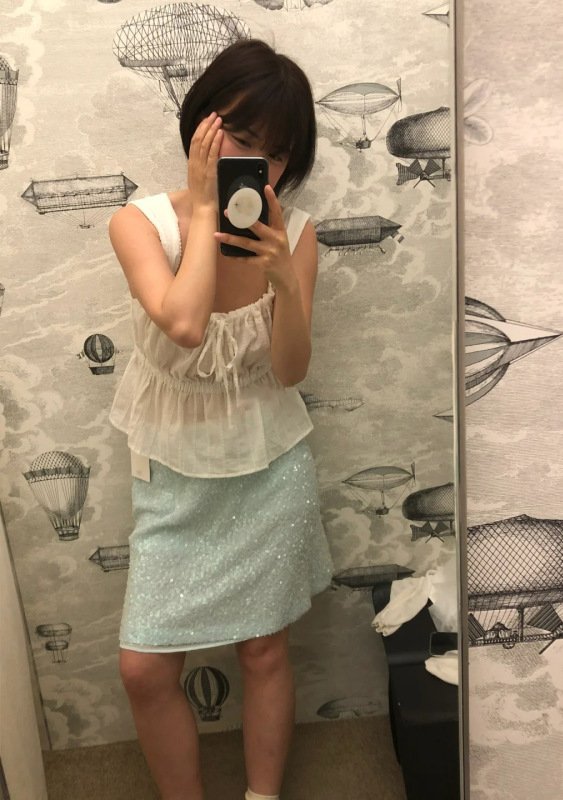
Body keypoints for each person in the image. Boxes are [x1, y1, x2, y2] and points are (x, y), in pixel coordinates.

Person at [107, 38, 335, 800]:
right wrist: (205, 210)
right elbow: (183, 325)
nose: (255, 160)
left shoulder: (296, 236)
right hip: (172, 472)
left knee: (265, 650)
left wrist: (283, 279)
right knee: (144, 669)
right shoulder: (140, 224)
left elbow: (290, 371)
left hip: (269, 463)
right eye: (238, 134)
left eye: (276, 151)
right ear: (201, 123)